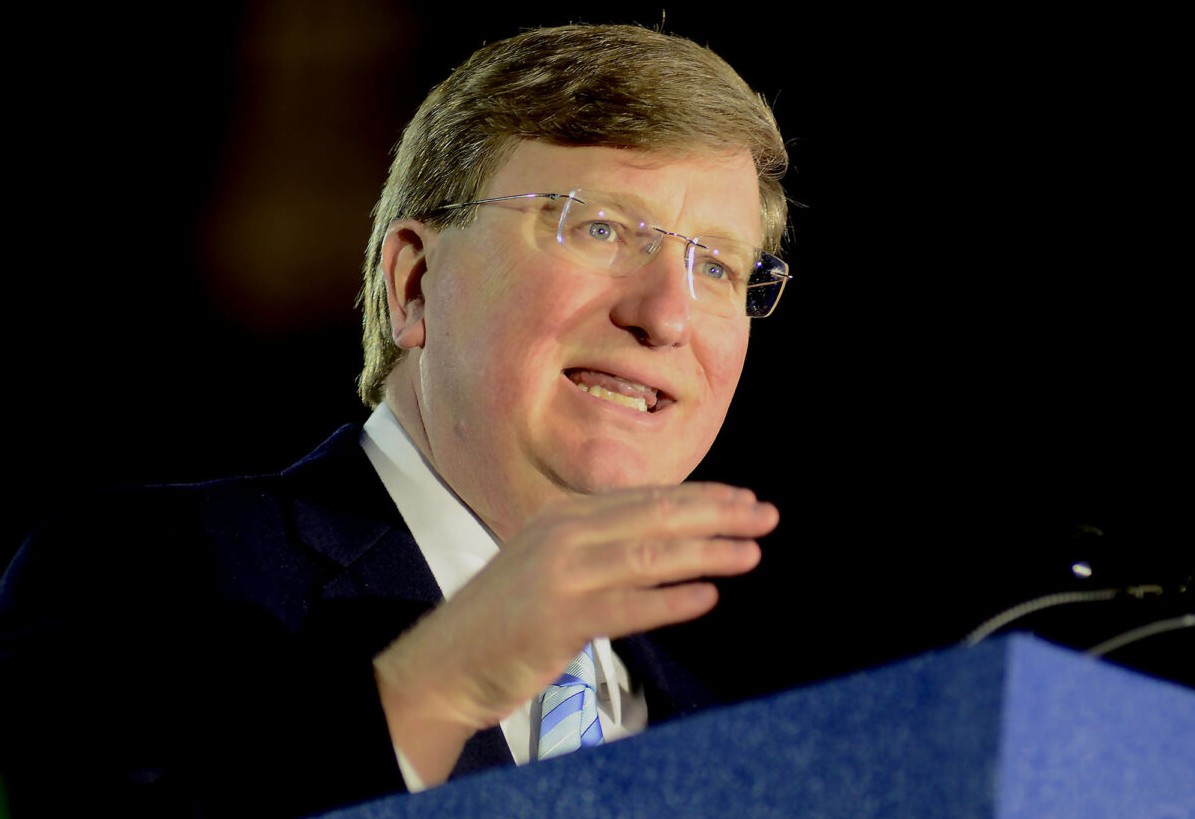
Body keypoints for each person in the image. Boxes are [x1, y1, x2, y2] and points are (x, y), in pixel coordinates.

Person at [0, 21, 793, 819]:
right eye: (601, 228)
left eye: (717, 267)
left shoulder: (727, 743)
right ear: (414, 282)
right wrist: (438, 689)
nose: (666, 316)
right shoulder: (146, 572)